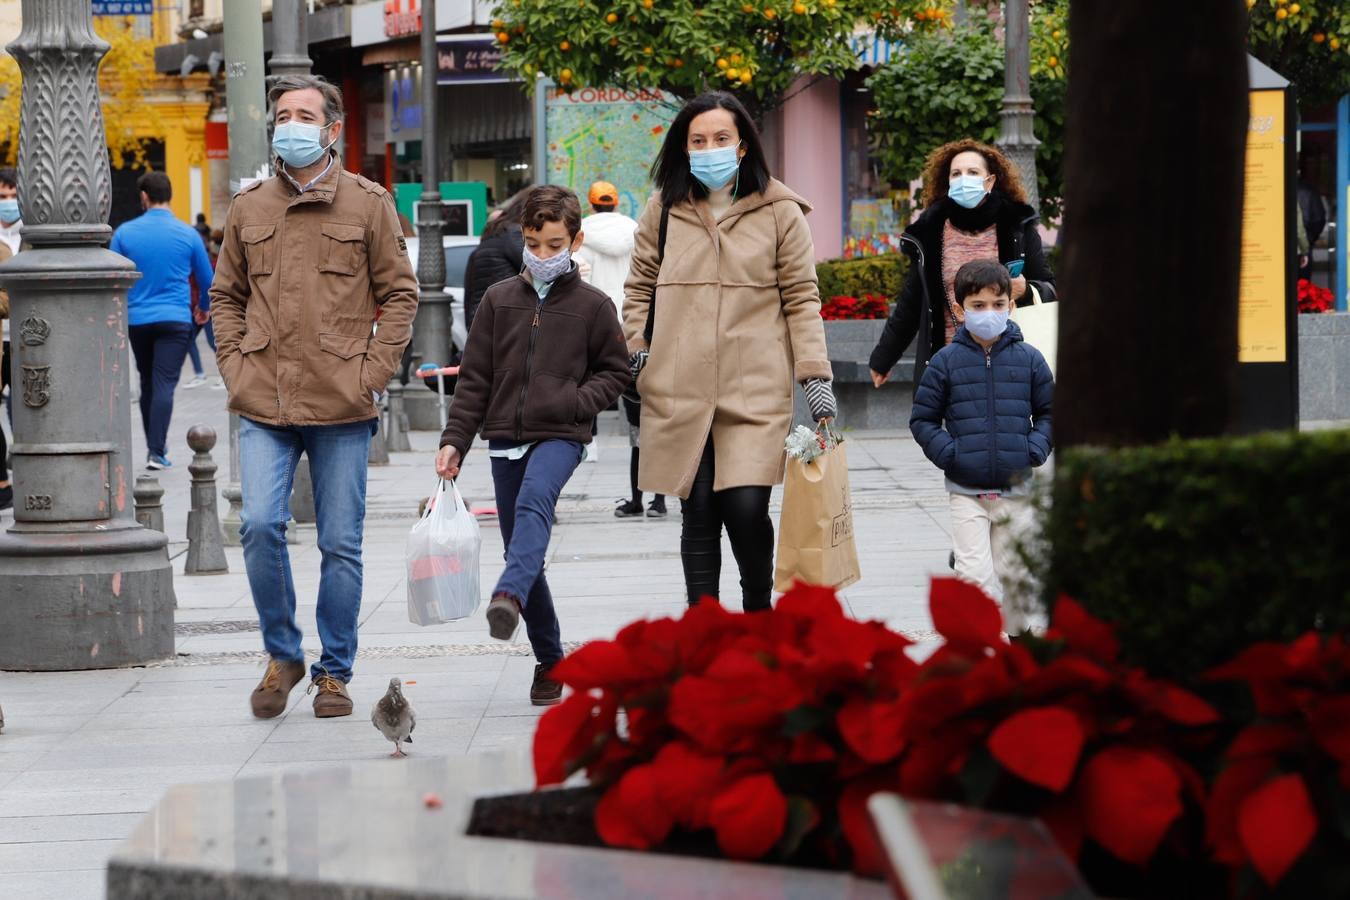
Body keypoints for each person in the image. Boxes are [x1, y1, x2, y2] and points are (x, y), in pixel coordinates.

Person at [211, 74, 419, 720]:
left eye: (304, 115)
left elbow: (403, 294)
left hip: (342, 401)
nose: (290, 125)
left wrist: (372, 373)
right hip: (264, 398)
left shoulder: (367, 204)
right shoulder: (250, 208)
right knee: (259, 524)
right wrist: (235, 366)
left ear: (332, 130)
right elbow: (226, 296)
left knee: (340, 544)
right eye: (282, 114)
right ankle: (283, 653)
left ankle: (334, 671)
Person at [623, 91, 836, 612]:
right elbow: (639, 284)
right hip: (679, 385)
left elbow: (803, 298)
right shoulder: (664, 208)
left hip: (755, 388)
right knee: (696, 511)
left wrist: (815, 378)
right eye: (698, 140)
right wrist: (636, 344)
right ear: (684, 147)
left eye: (721, 138)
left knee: (744, 506)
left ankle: (757, 610)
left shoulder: (782, 211)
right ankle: (705, 629)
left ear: (742, 146)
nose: (709, 148)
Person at [435, 184, 629, 706]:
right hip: (504, 436)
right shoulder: (499, 301)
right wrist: (456, 441)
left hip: (561, 434)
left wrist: (575, 401)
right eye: (533, 243)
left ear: (576, 240)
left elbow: (616, 372)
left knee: (533, 506)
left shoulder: (594, 306)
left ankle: (507, 596)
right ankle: (550, 659)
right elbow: (473, 379)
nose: (543, 254)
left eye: (554, 244)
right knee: (524, 546)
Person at [909, 259, 1053, 628]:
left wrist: (1033, 450)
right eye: (978, 305)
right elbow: (923, 419)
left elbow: (1051, 413)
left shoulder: (1030, 360)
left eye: (997, 304)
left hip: (1017, 487)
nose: (989, 313)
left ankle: (1023, 652)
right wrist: (951, 455)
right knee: (974, 577)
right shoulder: (945, 362)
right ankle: (978, 655)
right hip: (966, 489)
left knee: (1017, 574)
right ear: (960, 309)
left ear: (1011, 305)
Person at [868, 138, 1055, 390]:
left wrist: (1026, 290)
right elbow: (912, 302)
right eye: (956, 173)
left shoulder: (1016, 227)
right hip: (949, 366)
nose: (963, 178)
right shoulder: (930, 232)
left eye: (972, 172)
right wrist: (883, 358)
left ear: (989, 181)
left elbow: (1050, 288)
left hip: (1008, 366)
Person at [110, 171, 216, 470]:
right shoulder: (188, 234)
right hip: (175, 318)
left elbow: (112, 278)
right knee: (165, 383)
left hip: (138, 320)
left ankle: (155, 448)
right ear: (169, 194)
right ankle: (157, 451)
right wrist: (203, 308)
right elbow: (208, 279)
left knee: (147, 382)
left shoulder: (124, 233)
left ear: (144, 196)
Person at [575, 180, 664, 517]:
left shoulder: (581, 234)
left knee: (632, 418)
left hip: (600, 331)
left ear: (592, 202)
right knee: (651, 416)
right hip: (638, 331)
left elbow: (578, 281)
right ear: (614, 202)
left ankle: (591, 443)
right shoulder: (635, 230)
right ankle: (657, 500)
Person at [463, 190, 527, 331]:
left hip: (486, 320)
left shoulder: (495, 232)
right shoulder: (514, 234)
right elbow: (538, 272)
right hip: (505, 322)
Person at [183, 229, 221, 389]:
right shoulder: (192, 260)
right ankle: (200, 374)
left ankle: (224, 376)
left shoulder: (210, 262)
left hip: (207, 306)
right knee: (189, 339)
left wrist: (206, 305)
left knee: (214, 342)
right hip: (195, 306)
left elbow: (208, 284)